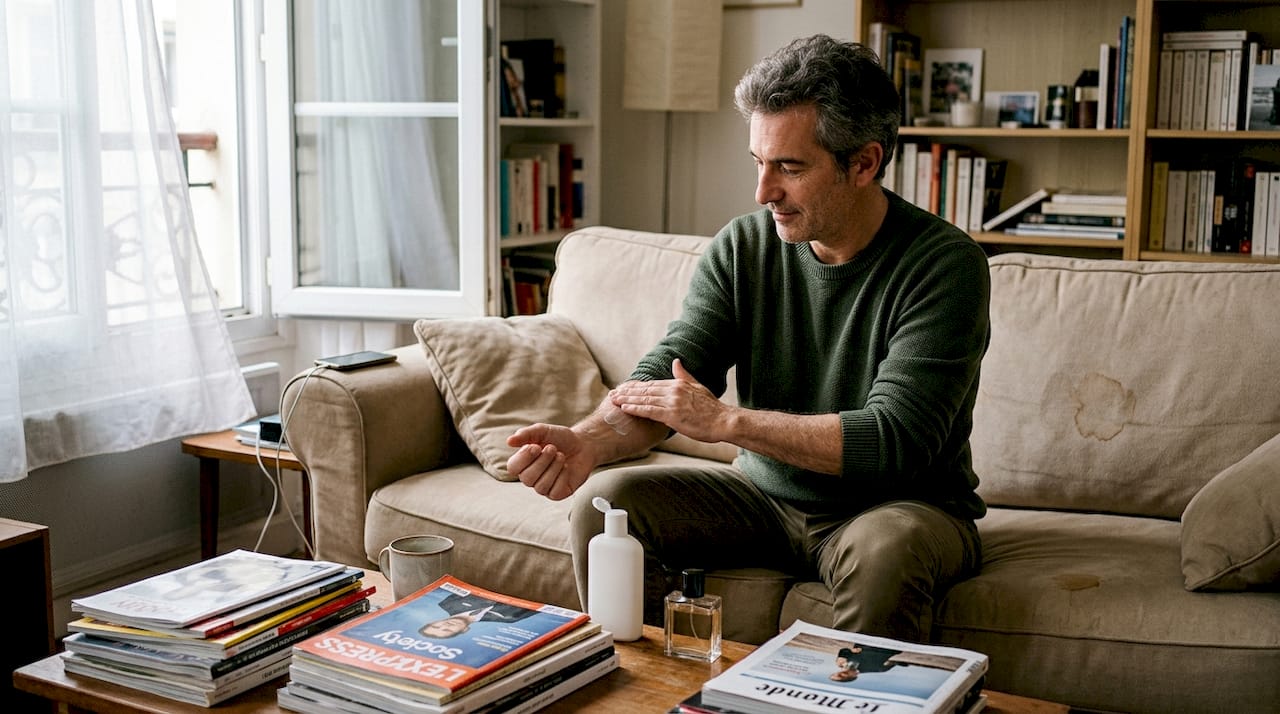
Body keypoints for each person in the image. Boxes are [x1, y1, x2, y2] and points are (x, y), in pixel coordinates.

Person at [506, 33, 989, 642]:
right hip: (763, 500)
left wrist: (729, 423)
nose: (764, 193)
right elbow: (671, 374)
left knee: (887, 547)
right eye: (758, 163)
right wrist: (586, 443)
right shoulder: (743, 247)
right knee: (612, 503)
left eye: (790, 167)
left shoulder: (945, 265)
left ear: (864, 163)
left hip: (900, 508)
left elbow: (895, 440)